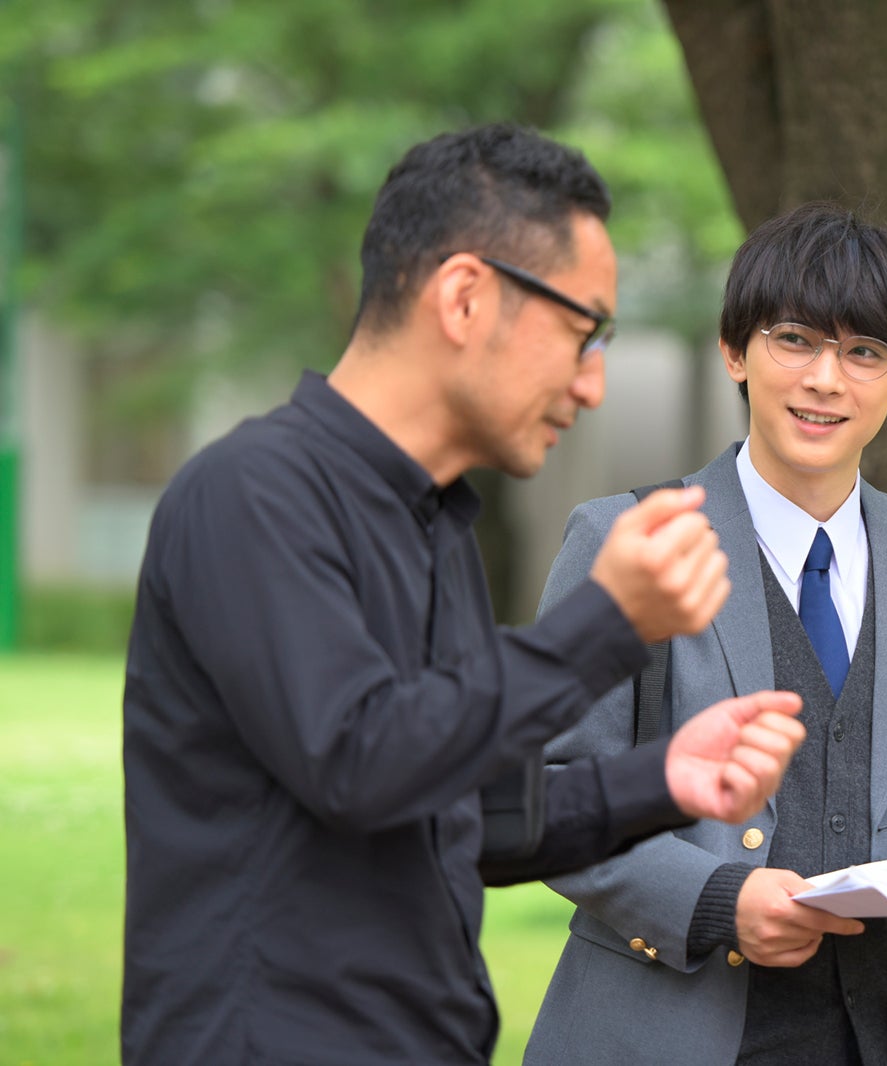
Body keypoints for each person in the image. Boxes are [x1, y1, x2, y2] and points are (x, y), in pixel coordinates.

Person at [120, 124, 807, 1066]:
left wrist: (664, 782)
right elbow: (360, 759)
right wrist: (606, 626)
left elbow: (469, 821)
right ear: (466, 297)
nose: (594, 383)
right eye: (582, 332)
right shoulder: (253, 494)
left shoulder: (434, 524)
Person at [522, 202, 887, 1065]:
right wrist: (720, 900)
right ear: (736, 350)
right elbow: (548, 796)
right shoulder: (626, 541)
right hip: (673, 1032)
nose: (826, 380)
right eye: (795, 339)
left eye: (865, 353)